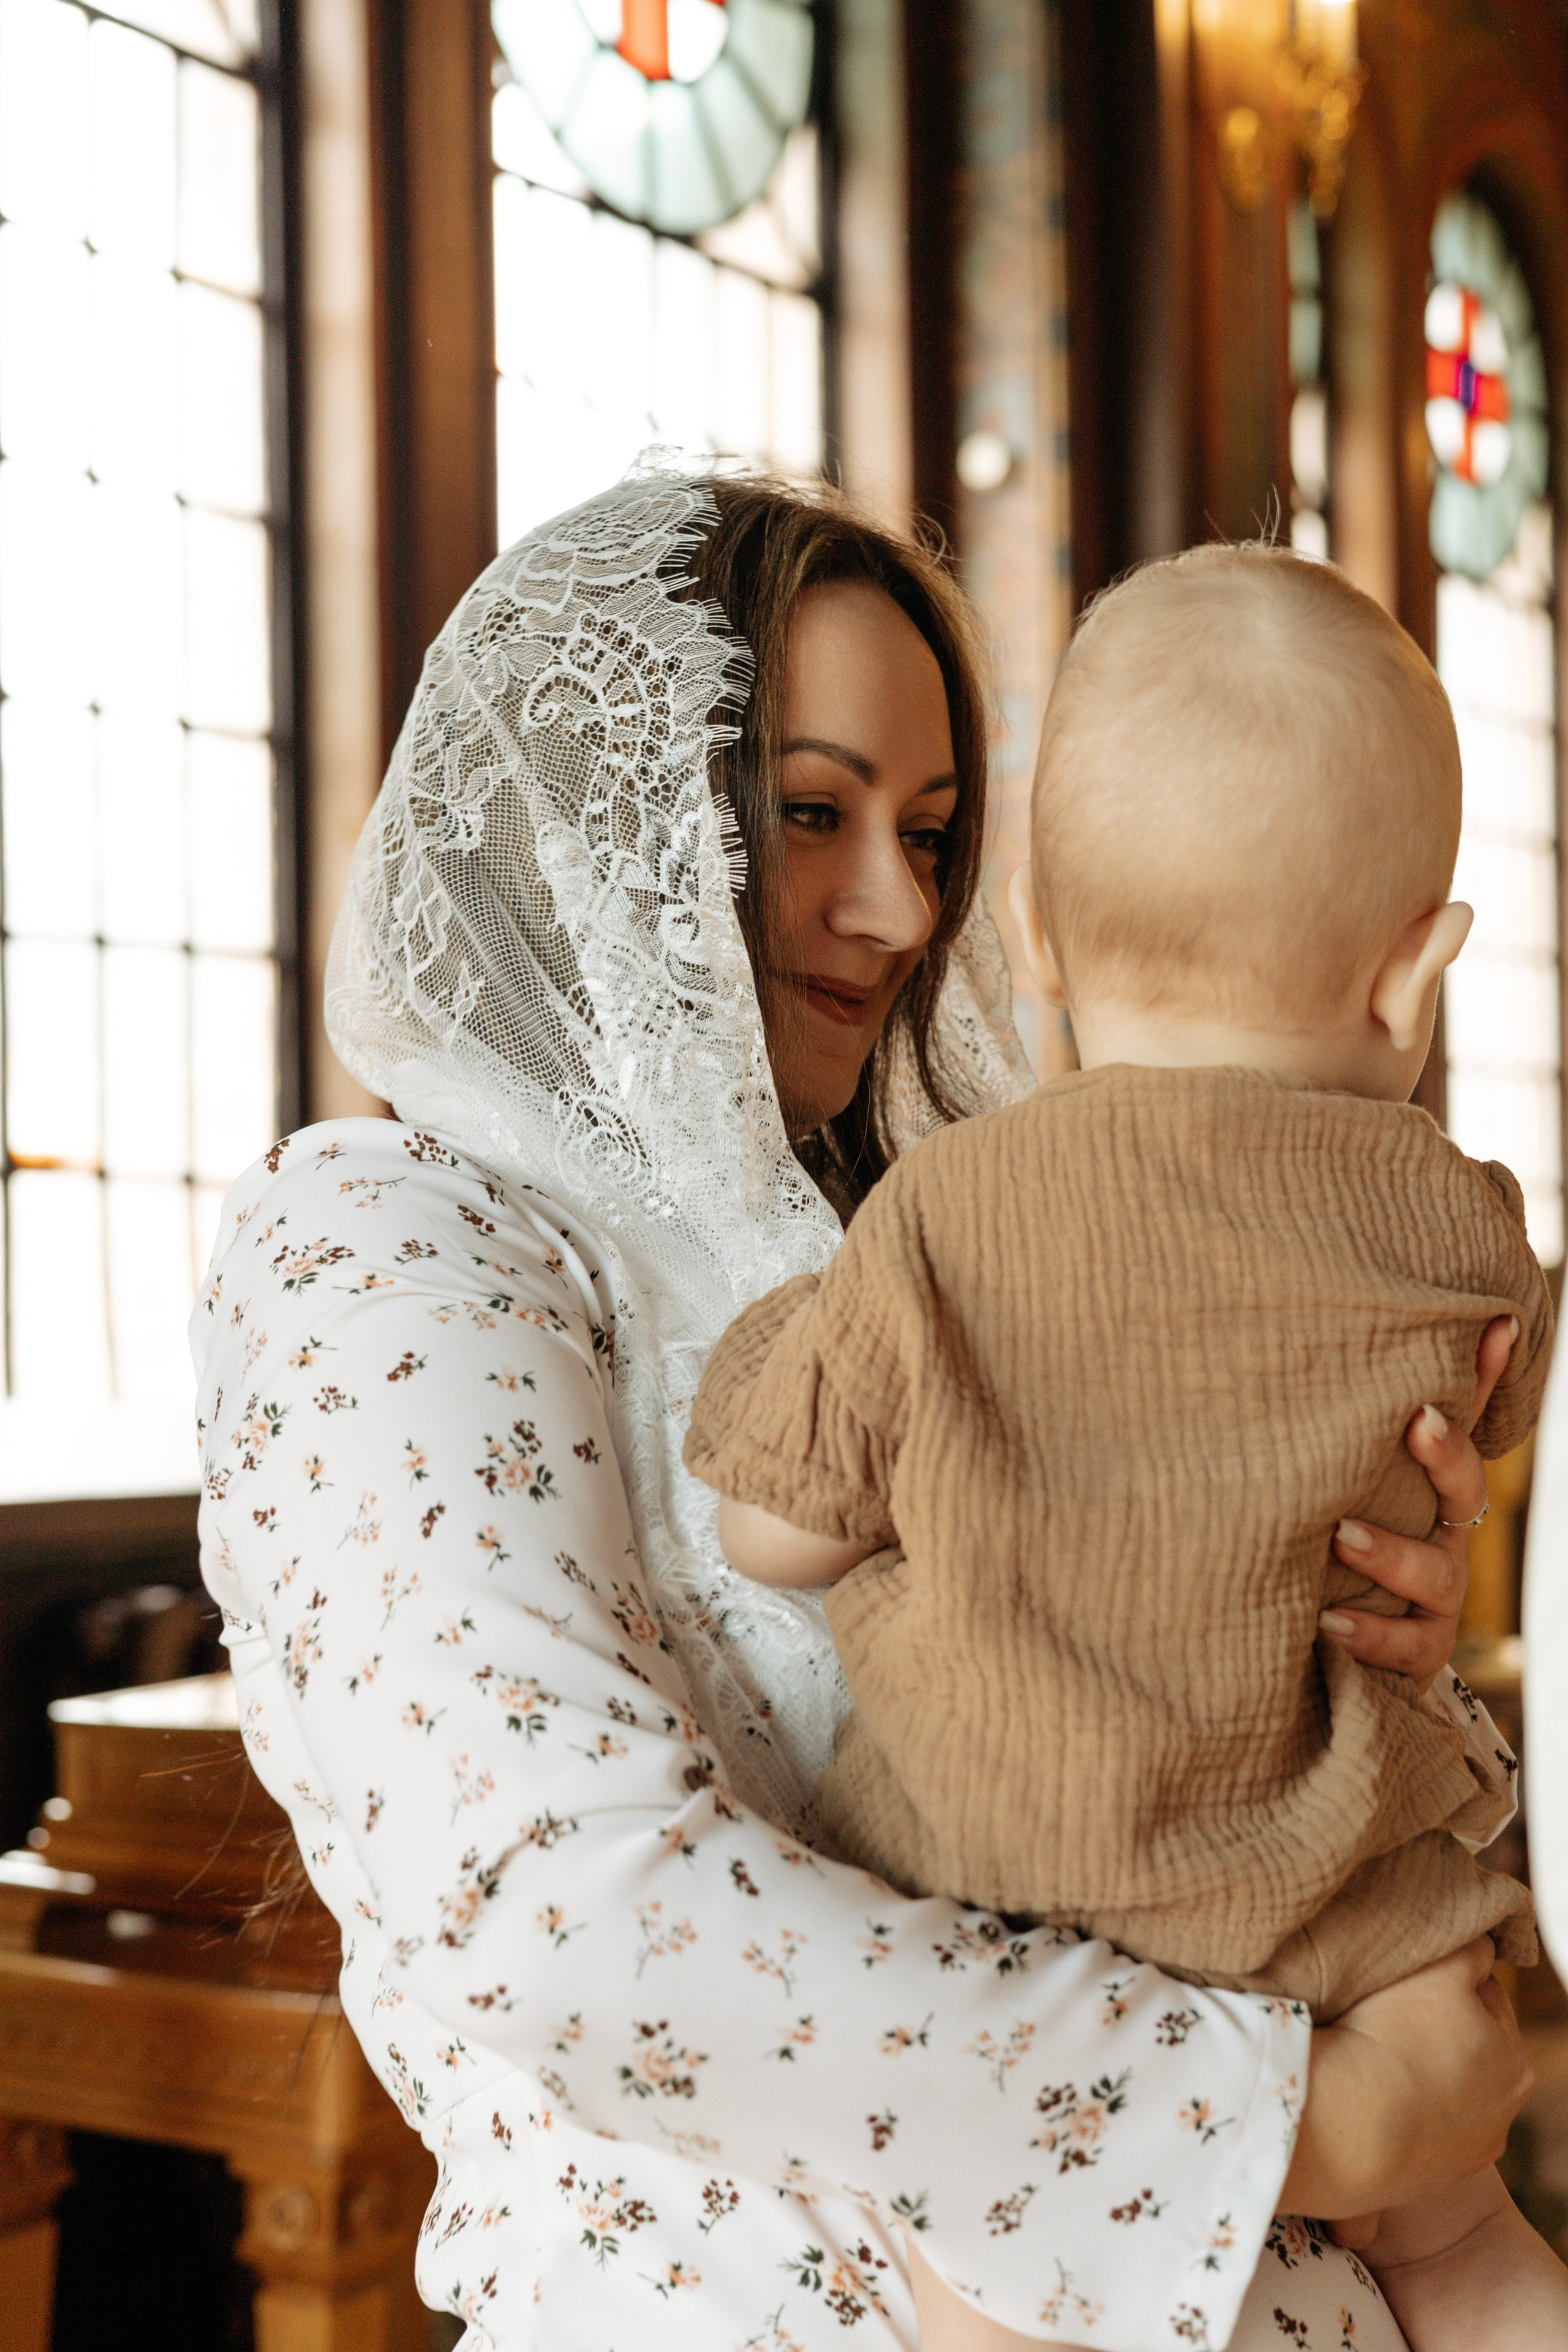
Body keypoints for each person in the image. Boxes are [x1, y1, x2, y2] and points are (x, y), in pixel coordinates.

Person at [192, 467, 1534, 2350]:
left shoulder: (963, 1220)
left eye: (936, 830)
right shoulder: (390, 1232)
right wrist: (1318, 2122)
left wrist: (1355, 1609)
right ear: (598, 815)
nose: (899, 908)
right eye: (812, 812)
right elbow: (569, 1915)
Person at [684, 543, 1568, 2352]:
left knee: (991, 2279)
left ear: (1027, 940)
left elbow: (771, 1535)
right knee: (1472, 2250)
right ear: (1419, 975)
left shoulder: (941, 1214)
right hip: (1334, 1898)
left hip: (1007, 1912)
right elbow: (1491, 1428)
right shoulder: (1463, 1221)